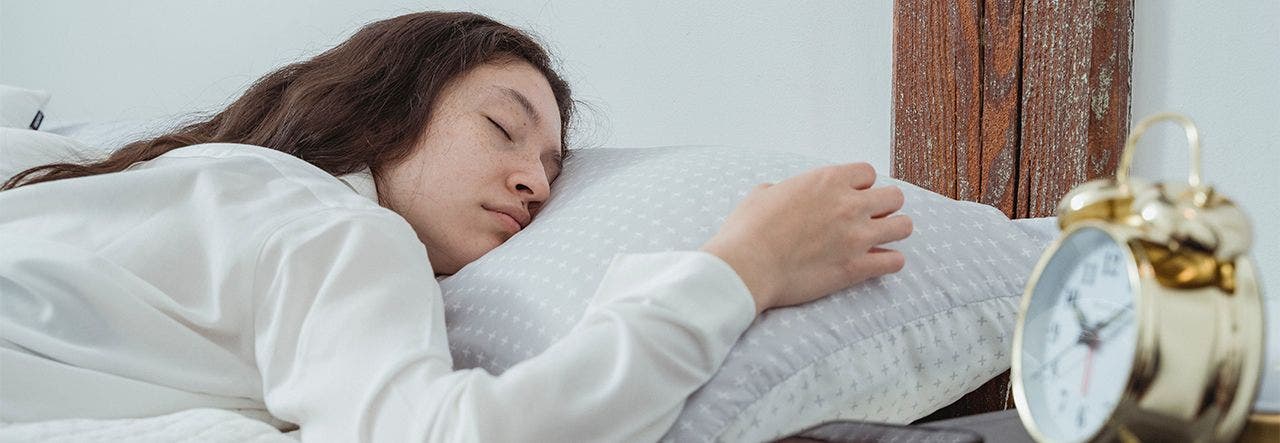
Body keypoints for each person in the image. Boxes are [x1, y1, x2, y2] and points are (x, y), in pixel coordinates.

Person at [0, 11, 912, 442]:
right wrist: (739, 268)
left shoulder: (179, 181)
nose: (532, 181)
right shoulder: (330, 227)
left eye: (554, 173)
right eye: (502, 127)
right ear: (385, 103)